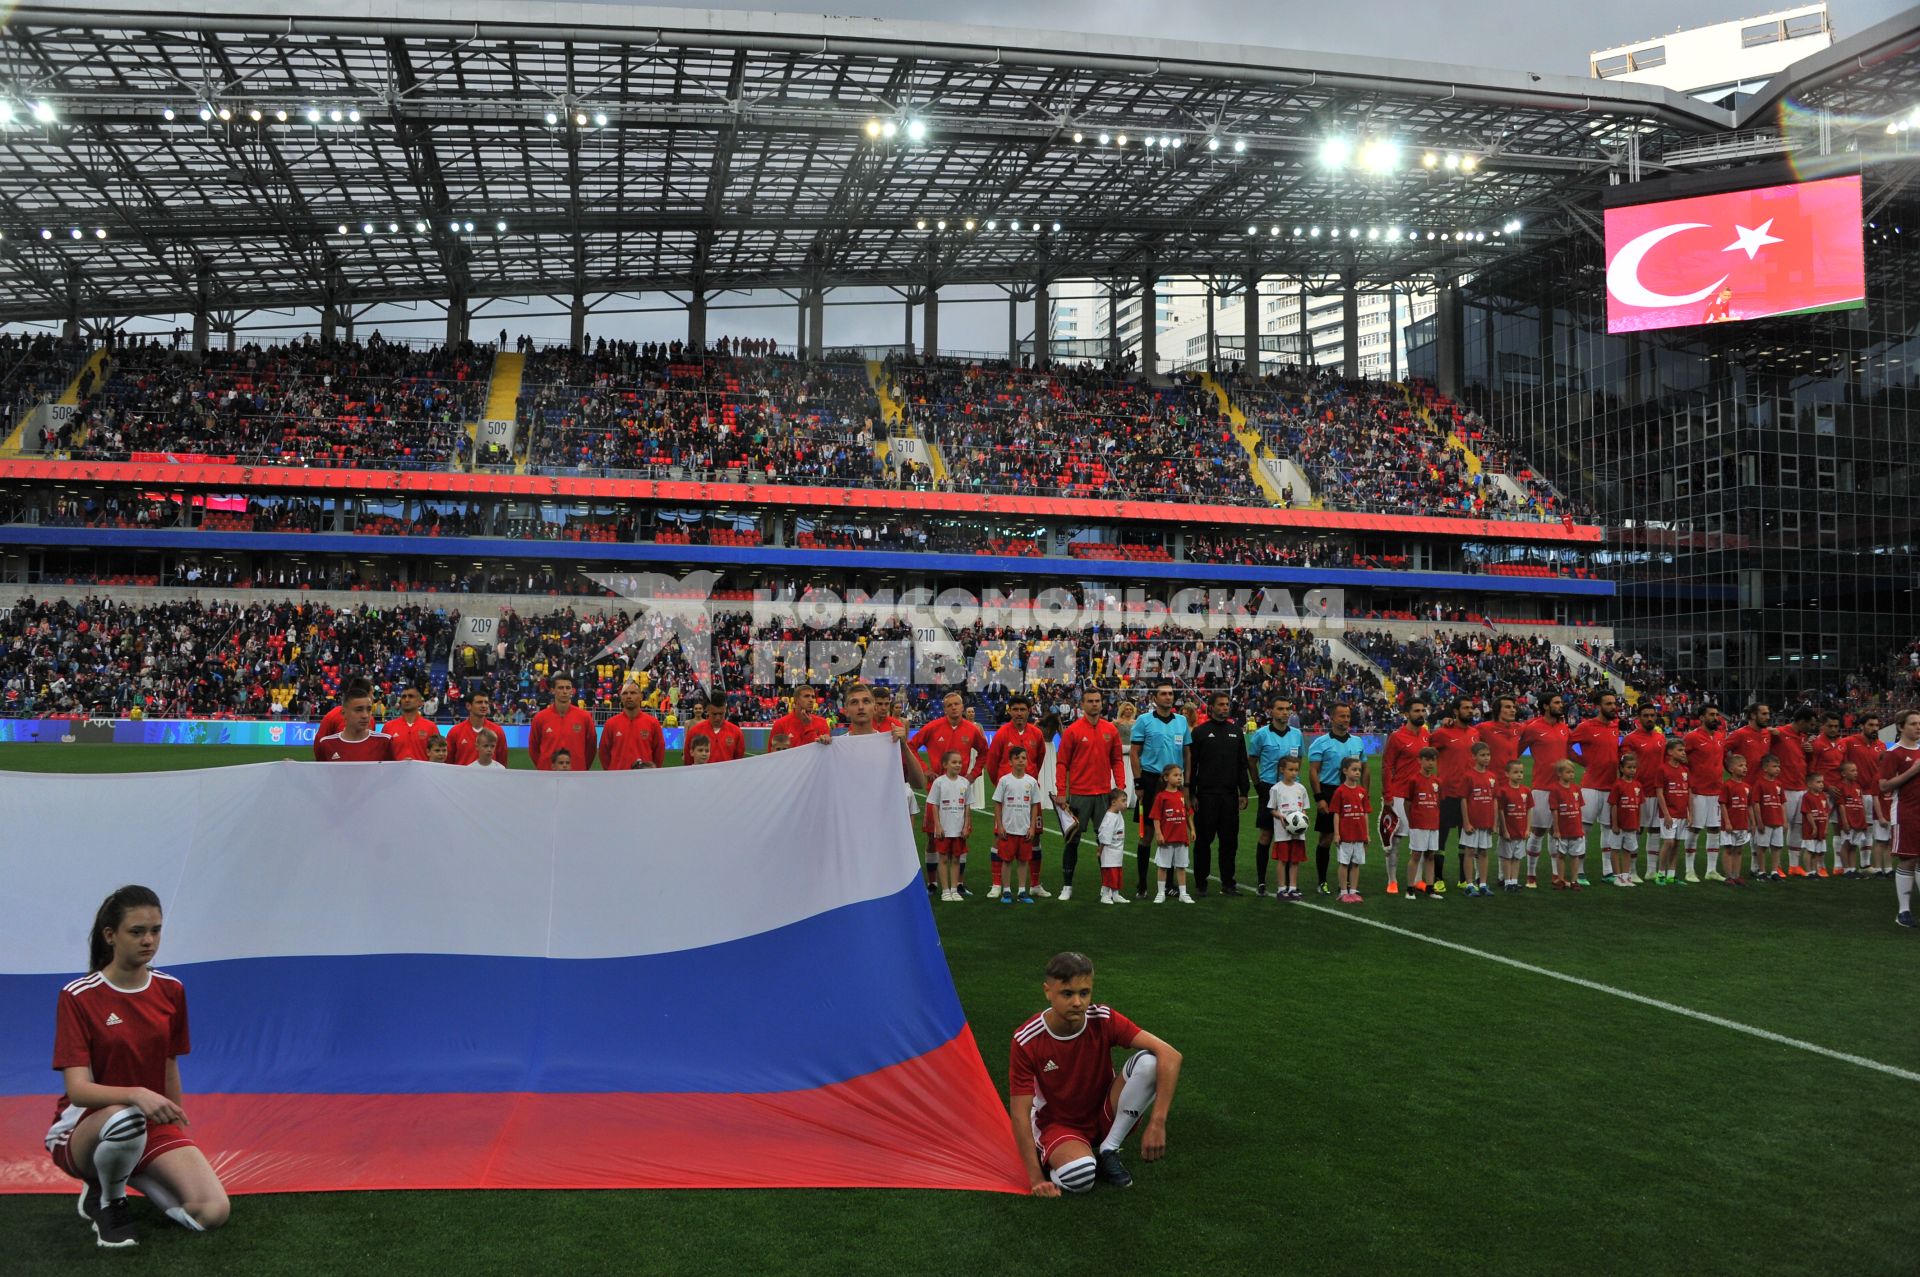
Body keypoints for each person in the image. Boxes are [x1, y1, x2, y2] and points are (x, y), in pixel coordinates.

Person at [49, 886, 229, 1248]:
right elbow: (79, 1089)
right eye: (137, 932)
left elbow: (168, 1060)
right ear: (110, 936)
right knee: (123, 1117)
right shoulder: (78, 996)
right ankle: (110, 1203)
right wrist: (136, 1094)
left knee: (212, 1212)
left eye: (156, 930)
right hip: (87, 1127)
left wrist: (175, 1120)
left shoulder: (171, 990)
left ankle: (118, 1175)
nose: (149, 940)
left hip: (147, 1123)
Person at [1008, 951, 1182, 1195]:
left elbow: (1171, 1055)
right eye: (1067, 994)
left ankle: (1108, 1149)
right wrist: (1036, 1178)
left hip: (1103, 1113)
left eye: (1084, 993)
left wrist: (1157, 1122)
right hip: (1059, 1125)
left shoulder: (1103, 1018)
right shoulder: (1027, 1039)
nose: (1078, 1002)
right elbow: (1019, 1113)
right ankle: (1069, 1160)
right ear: (1048, 991)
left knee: (1150, 1063)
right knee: (1081, 1176)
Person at [1056, 688, 1125, 900]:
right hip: (1079, 795)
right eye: (1090, 701)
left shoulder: (1110, 730)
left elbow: (1117, 760)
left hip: (1104, 795)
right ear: (1082, 704)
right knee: (1072, 841)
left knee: (1107, 841)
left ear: (1102, 704)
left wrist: (1120, 787)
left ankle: (1109, 888)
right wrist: (1060, 792)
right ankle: (1067, 886)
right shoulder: (1073, 731)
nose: (1095, 704)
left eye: (1097, 701)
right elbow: (1062, 763)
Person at [1130, 683, 1192, 900]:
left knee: (1174, 832)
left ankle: (1170, 885)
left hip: (1175, 783)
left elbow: (1187, 753)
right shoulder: (1144, 721)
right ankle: (1142, 884)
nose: (1168, 697)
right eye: (1163, 694)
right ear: (1154, 698)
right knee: (1148, 834)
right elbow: (1135, 753)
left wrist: (1187, 784)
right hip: (1151, 781)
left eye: (1171, 694)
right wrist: (1138, 783)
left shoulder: (1182, 721)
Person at [985, 694, 1050, 899]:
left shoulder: (1036, 734)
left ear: (1029, 711)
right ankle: (997, 884)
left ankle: (1035, 884)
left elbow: (1038, 761)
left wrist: (1027, 786)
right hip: (1009, 797)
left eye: (1023, 709)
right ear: (1010, 711)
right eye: (1016, 709)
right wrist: (1005, 788)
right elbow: (992, 764)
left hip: (1030, 794)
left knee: (1035, 835)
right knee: (1000, 836)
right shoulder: (1002, 733)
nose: (1019, 713)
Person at [1187, 691, 1249, 897]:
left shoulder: (1236, 732)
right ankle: (1201, 883)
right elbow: (1192, 765)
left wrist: (1244, 792)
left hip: (1230, 796)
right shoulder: (1200, 732)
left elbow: (1242, 765)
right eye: (1220, 704)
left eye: (1226, 704)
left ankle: (1228, 883)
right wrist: (1192, 793)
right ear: (1211, 707)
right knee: (1204, 842)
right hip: (1206, 796)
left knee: (1229, 842)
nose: (1225, 707)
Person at [1245, 694, 1303, 897]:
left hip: (1292, 791)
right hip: (1269, 788)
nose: (1285, 712)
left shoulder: (1296, 734)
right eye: (1280, 709)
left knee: (1291, 834)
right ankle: (1261, 881)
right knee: (1266, 834)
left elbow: (1300, 759)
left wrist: (1296, 783)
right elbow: (1251, 760)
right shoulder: (1261, 734)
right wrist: (1258, 784)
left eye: (1287, 709)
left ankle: (1289, 882)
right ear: (1271, 711)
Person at [1306, 702, 1366, 896]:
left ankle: (1349, 881)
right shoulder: (1320, 742)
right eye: (1342, 716)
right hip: (1330, 792)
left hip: (1352, 793)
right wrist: (1319, 798)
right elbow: (1313, 771)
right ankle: (1322, 880)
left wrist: (1365, 794)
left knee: (1351, 837)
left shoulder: (1357, 741)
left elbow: (1364, 770)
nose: (1346, 719)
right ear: (1331, 718)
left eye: (1348, 716)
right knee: (1326, 838)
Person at [1380, 695, 1432, 896]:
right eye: (1416, 711)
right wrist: (1387, 793)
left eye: (1423, 710)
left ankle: (1417, 880)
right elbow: (1387, 766)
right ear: (1407, 714)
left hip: (1421, 795)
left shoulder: (1426, 735)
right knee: (1396, 840)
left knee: (1419, 840)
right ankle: (1392, 881)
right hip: (1400, 794)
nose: (1421, 714)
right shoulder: (1397, 737)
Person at [1521, 693, 1574, 888]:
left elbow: (1570, 751)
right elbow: (1515, 750)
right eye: (1557, 703)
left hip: (1562, 789)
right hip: (1542, 788)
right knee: (1538, 831)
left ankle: (1556, 875)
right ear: (1545, 706)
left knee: (1556, 832)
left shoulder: (1563, 727)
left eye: (1561, 702)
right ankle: (1530, 875)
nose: (1561, 705)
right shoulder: (1533, 728)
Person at [1570, 691, 1622, 882]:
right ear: (1597, 707)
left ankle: (1607, 870)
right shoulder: (1586, 726)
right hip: (1590, 786)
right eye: (1608, 704)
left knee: (1608, 829)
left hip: (1611, 785)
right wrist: (1582, 761)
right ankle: (1580, 870)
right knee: (1584, 830)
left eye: (1614, 703)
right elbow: (1568, 744)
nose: (1613, 707)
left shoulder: (1615, 726)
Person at [1429, 695, 1480, 892]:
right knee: (1440, 838)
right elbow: (1426, 752)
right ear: (1456, 712)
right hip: (1447, 793)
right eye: (1465, 708)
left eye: (1471, 708)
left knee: (1465, 838)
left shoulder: (1476, 733)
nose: (1470, 711)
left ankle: (1463, 878)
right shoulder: (1443, 733)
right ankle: (1438, 877)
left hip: (1469, 795)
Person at [1877, 709, 1920, 926]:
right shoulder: (1893, 753)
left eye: (1919, 723)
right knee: (1908, 858)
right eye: (1913, 723)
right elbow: (1883, 785)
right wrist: (1912, 771)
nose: (1918, 727)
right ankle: (1903, 912)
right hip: (1906, 812)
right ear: (1901, 727)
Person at [1623, 702, 1670, 883]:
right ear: (1638, 718)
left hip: (1657, 791)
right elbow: (1625, 767)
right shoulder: (1630, 739)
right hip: (1638, 792)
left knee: (1655, 831)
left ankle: (1651, 870)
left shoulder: (1660, 738)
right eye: (1646, 715)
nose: (1650, 718)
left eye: (1652, 715)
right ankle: (1633, 871)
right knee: (1636, 831)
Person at [1683, 705, 1728, 883]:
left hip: (1717, 791)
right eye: (1711, 715)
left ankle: (1711, 870)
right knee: (1694, 829)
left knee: (1714, 829)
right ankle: (1689, 870)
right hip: (1698, 791)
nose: (1715, 717)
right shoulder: (1692, 737)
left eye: (1717, 714)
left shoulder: (1719, 736)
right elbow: (1678, 756)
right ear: (1701, 718)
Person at [994, 747, 1044, 904]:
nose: (1021, 760)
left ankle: (1022, 891)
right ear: (1010, 762)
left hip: (1025, 830)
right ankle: (1006, 891)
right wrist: (1000, 825)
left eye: (1023, 758)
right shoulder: (1004, 781)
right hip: (1008, 829)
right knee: (1006, 860)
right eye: (1017, 758)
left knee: (1023, 861)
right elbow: (997, 804)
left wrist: (1032, 827)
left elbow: (1035, 805)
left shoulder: (1031, 782)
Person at [1772, 706, 1815, 876]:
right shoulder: (1780, 733)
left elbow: (1804, 762)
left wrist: (1809, 753)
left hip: (1801, 788)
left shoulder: (1803, 739)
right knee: (1780, 828)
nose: (1812, 727)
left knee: (1798, 827)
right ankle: (1777, 865)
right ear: (1801, 721)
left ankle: (1794, 865)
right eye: (1810, 724)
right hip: (1784, 788)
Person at [1846, 714, 1891, 878]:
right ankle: (1843, 866)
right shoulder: (1850, 742)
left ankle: (1865, 863)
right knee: (1854, 829)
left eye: (1877, 725)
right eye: (1871, 725)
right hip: (1856, 793)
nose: (1874, 728)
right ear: (1862, 726)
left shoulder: (1881, 745)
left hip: (1875, 794)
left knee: (1871, 830)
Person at [926, 751, 973, 902]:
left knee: (956, 859)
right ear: (945, 765)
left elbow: (967, 806)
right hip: (944, 829)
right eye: (954, 762)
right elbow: (934, 805)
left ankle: (954, 889)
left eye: (960, 762)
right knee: (944, 858)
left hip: (959, 829)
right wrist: (938, 826)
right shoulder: (939, 782)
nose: (958, 765)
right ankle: (945, 890)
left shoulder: (965, 783)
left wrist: (966, 825)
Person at [1264, 755, 1310, 901]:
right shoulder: (1276, 789)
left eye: (1296, 770)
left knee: (1295, 860)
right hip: (1282, 831)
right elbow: (1271, 809)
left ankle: (1293, 888)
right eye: (1291, 770)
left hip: (1298, 833)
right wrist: (1280, 816)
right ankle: (1281, 889)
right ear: (1282, 770)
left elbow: (1304, 809)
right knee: (1283, 860)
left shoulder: (1301, 789)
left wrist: (1303, 820)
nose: (1294, 773)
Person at [529, 674, 598, 771]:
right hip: (547, 775)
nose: (565, 691)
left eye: (568, 688)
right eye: (560, 688)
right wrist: (544, 766)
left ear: (572, 691)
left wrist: (581, 767)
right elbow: (533, 748)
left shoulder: (584, 717)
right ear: (553, 690)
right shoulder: (540, 718)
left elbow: (591, 747)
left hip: (576, 775)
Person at [1147, 763, 1194, 904]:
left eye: (1180, 775)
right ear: (1166, 778)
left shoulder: (1182, 796)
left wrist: (1192, 829)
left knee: (1181, 866)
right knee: (1163, 867)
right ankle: (1161, 892)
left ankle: (1183, 893)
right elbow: (1156, 817)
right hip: (1167, 839)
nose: (1179, 778)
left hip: (1181, 838)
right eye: (1176, 775)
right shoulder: (1161, 797)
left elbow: (1188, 814)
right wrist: (1159, 833)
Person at [314, 680, 393, 762]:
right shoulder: (326, 741)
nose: (365, 715)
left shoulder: (384, 741)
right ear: (344, 713)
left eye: (369, 709)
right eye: (359, 710)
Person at [598, 679, 665, 771]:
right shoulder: (611, 724)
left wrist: (651, 773)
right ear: (621, 697)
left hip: (643, 779)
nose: (629, 696)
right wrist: (613, 770)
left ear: (641, 696)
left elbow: (659, 754)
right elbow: (603, 753)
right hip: (618, 780)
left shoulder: (653, 723)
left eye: (633, 693)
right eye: (625, 693)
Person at [1331, 755, 1372, 904]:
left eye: (1359, 770)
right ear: (1345, 771)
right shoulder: (1340, 791)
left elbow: (1365, 813)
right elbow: (1336, 813)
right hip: (1345, 835)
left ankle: (1353, 891)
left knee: (1356, 863)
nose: (1357, 773)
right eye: (1354, 769)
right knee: (1344, 863)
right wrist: (1336, 833)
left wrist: (1367, 833)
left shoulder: (1362, 791)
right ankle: (1343, 892)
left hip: (1359, 834)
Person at [1459, 741, 1497, 897]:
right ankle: (1469, 884)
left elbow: (1494, 799)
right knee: (1469, 851)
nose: (1486, 758)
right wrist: (1466, 822)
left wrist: (1495, 822)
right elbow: (1463, 799)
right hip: (1472, 822)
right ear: (1474, 757)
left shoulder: (1492, 777)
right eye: (1482, 755)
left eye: (1488, 755)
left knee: (1484, 852)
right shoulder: (1468, 776)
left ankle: (1482, 884)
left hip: (1486, 821)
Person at [1653, 739, 1691, 886]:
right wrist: (1666, 814)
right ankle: (1660, 873)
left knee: (1676, 844)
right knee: (1668, 842)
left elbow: (1688, 792)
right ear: (1670, 752)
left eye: (1683, 750)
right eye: (1680, 750)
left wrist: (1690, 813)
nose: (1683, 753)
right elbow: (1659, 793)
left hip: (1682, 813)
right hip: (1669, 813)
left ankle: (1672, 875)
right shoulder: (1663, 769)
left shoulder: (1685, 770)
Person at [1405, 748, 1442, 898]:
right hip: (1418, 823)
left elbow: (1438, 802)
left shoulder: (1437, 781)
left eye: (1433, 760)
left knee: (1431, 855)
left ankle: (1430, 887)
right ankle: (1410, 888)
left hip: (1433, 823)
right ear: (1419, 760)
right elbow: (1408, 802)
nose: (1430, 763)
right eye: (1427, 759)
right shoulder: (1414, 780)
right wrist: (1411, 819)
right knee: (1416, 855)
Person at [1607, 750, 1645, 888]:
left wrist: (1638, 824)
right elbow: (1614, 805)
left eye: (1634, 767)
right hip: (1619, 826)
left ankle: (1626, 875)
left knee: (1628, 850)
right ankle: (1617, 877)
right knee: (1616, 849)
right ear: (1622, 768)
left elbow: (1639, 806)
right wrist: (1615, 824)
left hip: (1632, 825)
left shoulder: (1638, 786)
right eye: (1629, 767)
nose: (1632, 770)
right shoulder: (1617, 785)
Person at [1548, 758, 1586, 891]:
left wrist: (1580, 827)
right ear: (1559, 773)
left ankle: (1574, 880)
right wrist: (1556, 829)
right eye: (1568, 772)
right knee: (1561, 855)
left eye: (1572, 772)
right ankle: (1561, 879)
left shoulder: (1576, 789)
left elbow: (1579, 808)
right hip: (1562, 830)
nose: (1571, 774)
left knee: (1575, 855)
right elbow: (1554, 811)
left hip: (1575, 829)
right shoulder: (1555, 790)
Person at [446, 689, 510, 767]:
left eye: (486, 702)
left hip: (489, 778)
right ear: (468, 706)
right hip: (463, 778)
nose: (484, 705)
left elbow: (502, 762)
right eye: (479, 702)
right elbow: (448, 762)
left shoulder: (497, 731)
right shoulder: (455, 731)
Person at [1495, 759, 1531, 893]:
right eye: (1515, 772)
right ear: (1507, 774)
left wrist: (1528, 828)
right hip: (1509, 832)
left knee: (1517, 857)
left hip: (1521, 832)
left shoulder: (1526, 791)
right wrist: (1504, 830)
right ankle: (1507, 881)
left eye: (1521, 772)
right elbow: (1501, 811)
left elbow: (1529, 810)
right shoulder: (1503, 791)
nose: (1519, 775)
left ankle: (1514, 881)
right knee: (1506, 857)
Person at [381, 683, 441, 761]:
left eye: (411, 696)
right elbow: (383, 757)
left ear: (420, 702)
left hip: (423, 773)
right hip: (396, 773)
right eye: (404, 697)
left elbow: (438, 758)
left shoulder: (431, 727)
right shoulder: (388, 727)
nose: (407, 699)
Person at [683, 692, 747, 763]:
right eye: (714, 714)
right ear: (707, 710)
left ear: (725, 710)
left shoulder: (736, 732)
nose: (717, 718)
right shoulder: (694, 732)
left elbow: (739, 763)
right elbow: (688, 762)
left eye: (721, 714)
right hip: (702, 774)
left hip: (727, 774)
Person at [1720, 751, 1752, 886]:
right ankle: (1728, 876)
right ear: (1731, 769)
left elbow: (1748, 806)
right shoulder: (1727, 785)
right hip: (1730, 824)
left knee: (1738, 850)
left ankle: (1736, 875)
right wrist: (1727, 822)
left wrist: (1751, 822)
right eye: (1740, 765)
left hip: (1742, 823)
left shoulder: (1747, 787)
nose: (1745, 768)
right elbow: (1723, 805)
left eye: (1745, 765)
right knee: (1728, 849)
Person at [1755, 754, 1788, 881]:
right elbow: (1756, 803)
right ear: (1765, 768)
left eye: (1778, 766)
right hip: (1766, 821)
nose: (1777, 769)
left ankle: (1774, 871)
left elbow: (1782, 803)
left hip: (1778, 821)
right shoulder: (1760, 783)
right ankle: (1762, 871)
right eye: (1774, 766)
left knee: (1777, 846)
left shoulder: (1779, 784)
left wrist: (1785, 821)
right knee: (1762, 846)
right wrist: (1759, 821)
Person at [1096, 790, 1131, 905]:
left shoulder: (1118, 813)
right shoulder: (1110, 817)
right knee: (1109, 874)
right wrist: (1100, 850)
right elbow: (1104, 837)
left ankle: (1115, 895)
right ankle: (1105, 895)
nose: (1126, 803)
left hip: (1117, 851)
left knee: (1117, 873)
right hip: (1110, 852)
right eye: (1123, 801)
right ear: (1114, 802)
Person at [1838, 760, 1870, 879]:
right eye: (1852, 770)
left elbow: (1861, 803)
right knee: (1846, 845)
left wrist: (1864, 820)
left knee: (1853, 846)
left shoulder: (1857, 786)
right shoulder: (1841, 786)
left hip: (1858, 821)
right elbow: (1841, 805)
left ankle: (1852, 869)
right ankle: (1846, 870)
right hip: (1849, 821)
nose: (1856, 773)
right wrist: (1845, 822)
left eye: (1856, 770)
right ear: (1843, 774)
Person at [1801, 771, 1833, 877]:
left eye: (1822, 782)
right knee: (1809, 850)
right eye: (1818, 782)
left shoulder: (1823, 796)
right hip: (1810, 828)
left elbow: (1827, 812)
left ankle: (1815, 871)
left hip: (1821, 826)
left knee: (1817, 851)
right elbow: (1808, 813)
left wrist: (1826, 828)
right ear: (1809, 784)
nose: (1821, 784)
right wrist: (1814, 827)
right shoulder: (1807, 796)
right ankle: (1809, 871)